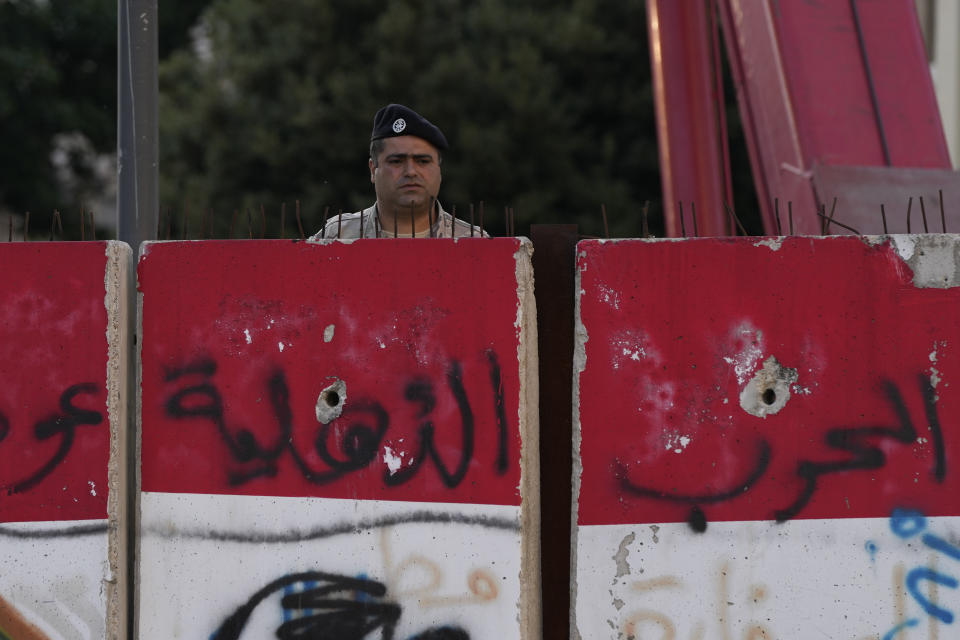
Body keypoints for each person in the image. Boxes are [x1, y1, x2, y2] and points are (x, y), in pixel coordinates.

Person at [310, 104, 486, 239]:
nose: (410, 171)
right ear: (373, 169)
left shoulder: (474, 243)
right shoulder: (338, 236)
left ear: (439, 170)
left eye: (423, 161)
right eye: (396, 161)